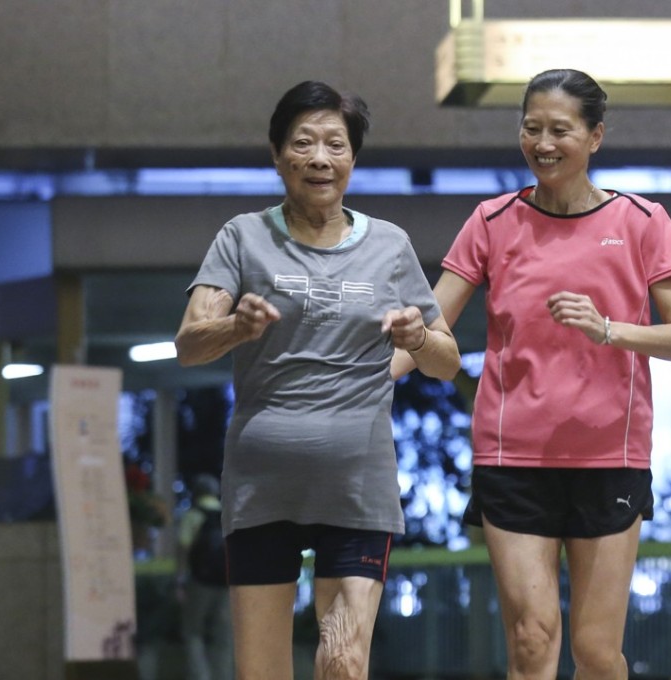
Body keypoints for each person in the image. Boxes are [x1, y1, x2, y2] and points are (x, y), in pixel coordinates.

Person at [394, 68, 671, 680]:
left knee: (594, 650)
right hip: (513, 460)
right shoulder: (492, 221)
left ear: (595, 137)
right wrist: (374, 373)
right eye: (531, 128)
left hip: (609, 458)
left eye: (560, 129)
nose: (543, 143)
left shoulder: (643, 222)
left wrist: (609, 329)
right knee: (532, 642)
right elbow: (432, 327)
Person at [175, 80, 460, 680]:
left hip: (357, 486)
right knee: (261, 670)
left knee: (342, 662)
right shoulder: (242, 236)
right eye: (303, 142)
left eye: (336, 144)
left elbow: (447, 361)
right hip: (260, 487)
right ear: (278, 154)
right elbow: (188, 344)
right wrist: (234, 326)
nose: (320, 158)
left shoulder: (390, 246)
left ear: (353, 159)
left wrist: (416, 337)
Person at [176, 473, 232, 680]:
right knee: (224, 637)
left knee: (193, 632)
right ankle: (223, 676)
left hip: (200, 582)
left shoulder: (193, 515)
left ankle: (201, 676)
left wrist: (180, 581)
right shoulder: (227, 517)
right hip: (226, 584)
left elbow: (183, 548)